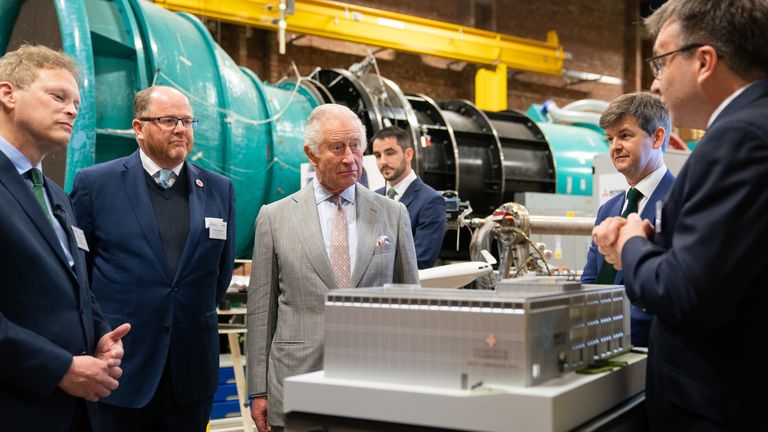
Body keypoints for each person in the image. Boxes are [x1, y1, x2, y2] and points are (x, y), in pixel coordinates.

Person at [592, 1, 768, 429]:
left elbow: (686, 294)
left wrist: (632, 245)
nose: (655, 82)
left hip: (715, 406)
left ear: (704, 61)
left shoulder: (740, 138)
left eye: (662, 61)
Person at [70, 85, 235, 431]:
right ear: (138, 127)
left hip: (191, 374)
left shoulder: (219, 189)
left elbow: (219, 275)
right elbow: (78, 277)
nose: (181, 129)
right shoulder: (96, 184)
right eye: (169, 120)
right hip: (121, 370)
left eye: (188, 121)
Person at [246, 104, 419, 432]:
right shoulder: (275, 217)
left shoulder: (392, 215)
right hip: (296, 381)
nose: (349, 157)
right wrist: (258, 388)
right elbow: (260, 312)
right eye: (337, 147)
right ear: (311, 154)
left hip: (372, 382)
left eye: (355, 146)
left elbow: (410, 305)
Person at [0, 44, 130, 431]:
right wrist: (59, 368)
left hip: (73, 409)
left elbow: (76, 286)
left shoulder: (55, 195)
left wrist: (101, 333)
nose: (72, 110)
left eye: (76, 101)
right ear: (7, 94)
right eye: (58, 97)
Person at [581, 92, 675, 347]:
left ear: (657, 137)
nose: (615, 146)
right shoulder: (608, 209)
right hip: (600, 342)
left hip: (650, 349)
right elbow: (591, 280)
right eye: (610, 139)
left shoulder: (680, 201)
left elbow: (675, 292)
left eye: (625, 135)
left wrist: (603, 324)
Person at [372, 126, 446, 269]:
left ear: (408, 154)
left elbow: (420, 261)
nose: (383, 162)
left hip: (404, 289)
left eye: (390, 153)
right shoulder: (373, 197)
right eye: (377, 155)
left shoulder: (430, 201)